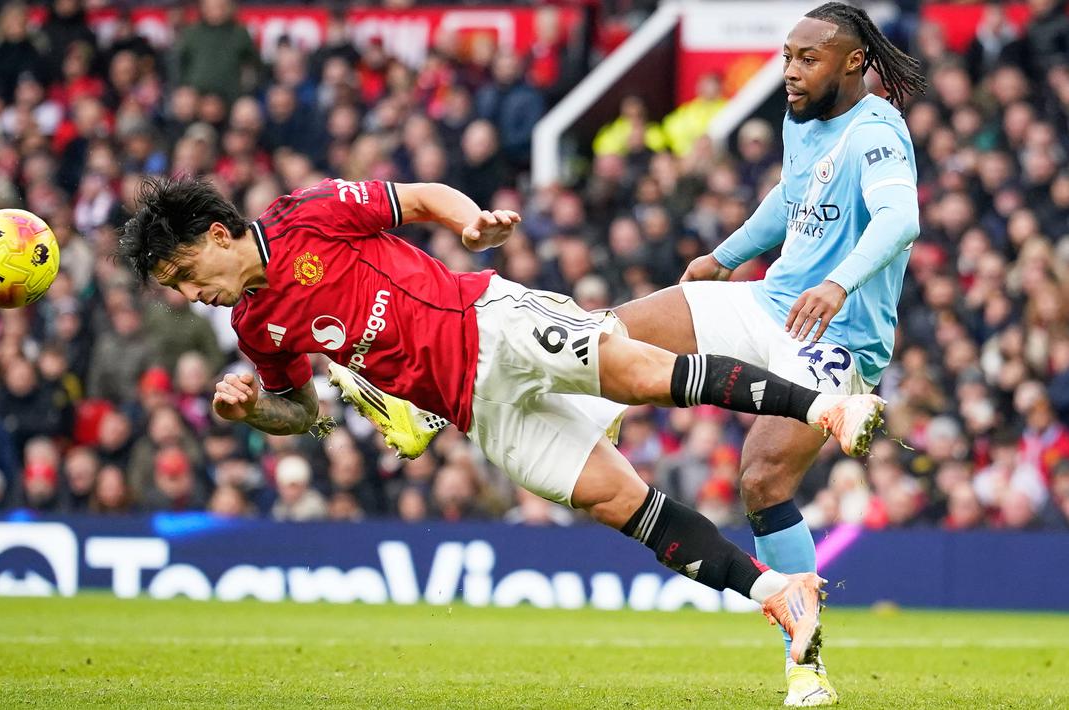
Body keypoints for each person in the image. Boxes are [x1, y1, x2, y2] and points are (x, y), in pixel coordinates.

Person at [116, 173, 887, 671]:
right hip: (475, 411)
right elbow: (305, 410)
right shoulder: (256, 330)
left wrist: (470, 221)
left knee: (646, 375)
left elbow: (414, 198)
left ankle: (826, 405)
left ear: (216, 236)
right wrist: (257, 410)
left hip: (491, 322)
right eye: (175, 289)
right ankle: (777, 594)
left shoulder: (303, 219)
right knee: (617, 503)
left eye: (185, 275)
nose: (190, 294)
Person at [611, 4, 927, 704]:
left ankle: (805, 661)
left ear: (851, 62)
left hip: (836, 334)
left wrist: (838, 283)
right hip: (768, 301)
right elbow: (790, 201)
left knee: (760, 479)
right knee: (610, 331)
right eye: (786, 55)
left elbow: (900, 218)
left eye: (806, 58)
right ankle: (584, 408)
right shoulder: (801, 117)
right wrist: (722, 258)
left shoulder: (875, 129)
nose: (789, 71)